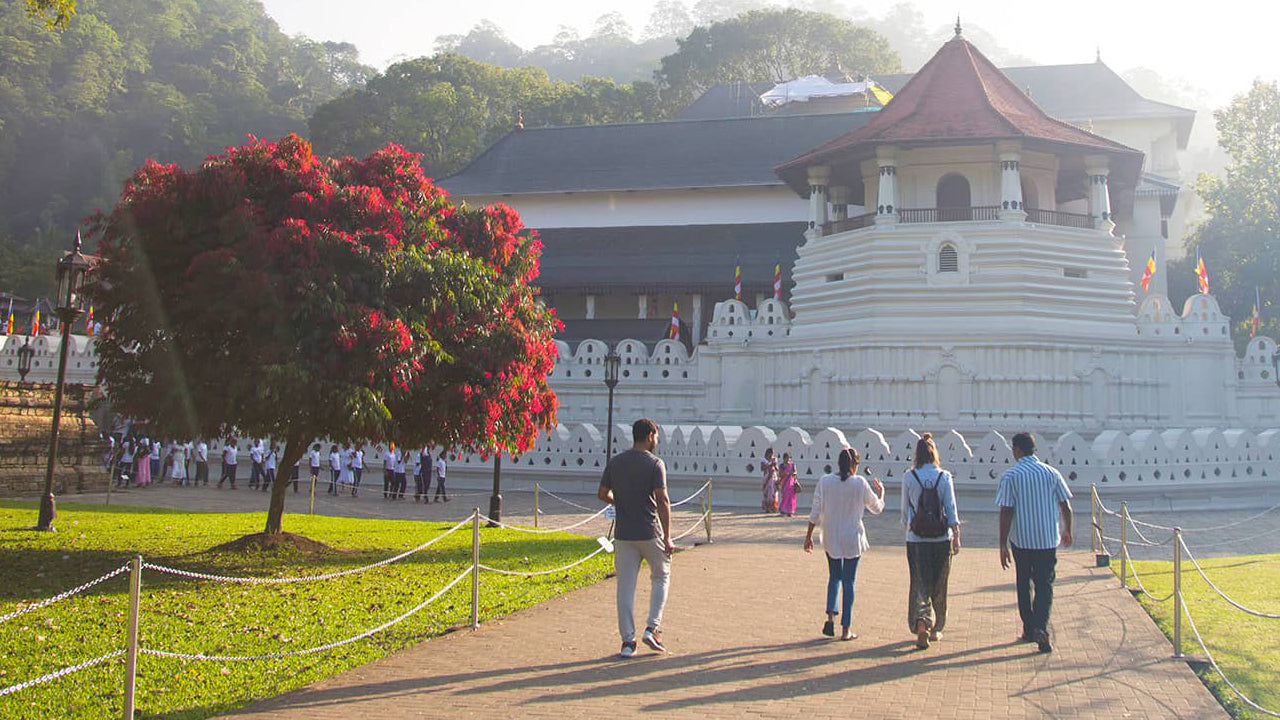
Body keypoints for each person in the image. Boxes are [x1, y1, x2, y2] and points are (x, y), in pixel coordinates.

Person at [597, 418, 672, 658]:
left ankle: (628, 642)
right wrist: (668, 537)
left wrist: (620, 501)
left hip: (624, 534)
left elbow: (602, 494)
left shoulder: (616, 462)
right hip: (649, 531)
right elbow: (663, 500)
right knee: (661, 575)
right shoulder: (655, 463)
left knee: (625, 588)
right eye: (656, 437)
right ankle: (652, 627)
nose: (657, 441)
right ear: (650, 436)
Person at [997, 432, 1073, 654]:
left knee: (1023, 583)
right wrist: (1067, 530)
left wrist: (1002, 544)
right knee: (1044, 584)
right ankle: (1041, 626)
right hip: (1047, 540)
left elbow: (1006, 510)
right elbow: (1065, 505)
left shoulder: (1011, 476)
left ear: (1018, 450)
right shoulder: (1052, 473)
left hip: (1022, 540)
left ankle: (1029, 629)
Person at [804, 447, 885, 641]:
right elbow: (877, 508)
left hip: (830, 537)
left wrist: (808, 536)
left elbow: (815, 511)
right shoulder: (859, 483)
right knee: (849, 582)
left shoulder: (825, 482)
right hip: (852, 539)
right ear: (855, 465)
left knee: (834, 578)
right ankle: (846, 629)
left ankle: (830, 617)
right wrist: (881, 493)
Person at [901, 433, 961, 649]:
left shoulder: (909, 476)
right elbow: (951, 509)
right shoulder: (944, 477)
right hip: (941, 538)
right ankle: (936, 629)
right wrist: (956, 537)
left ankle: (921, 625)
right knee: (939, 583)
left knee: (919, 583)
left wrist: (909, 530)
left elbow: (905, 512)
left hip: (916, 538)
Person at [778, 452, 800, 517]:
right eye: (786, 458)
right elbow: (780, 474)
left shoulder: (792, 465)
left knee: (791, 497)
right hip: (784, 483)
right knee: (785, 497)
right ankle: (783, 510)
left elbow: (795, 472)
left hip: (791, 483)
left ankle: (790, 511)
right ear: (784, 458)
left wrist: (793, 474)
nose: (787, 459)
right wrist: (786, 474)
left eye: (789, 458)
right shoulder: (781, 466)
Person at [760, 448, 779, 513]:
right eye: (771, 453)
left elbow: (777, 468)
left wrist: (774, 465)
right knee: (767, 492)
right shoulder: (763, 460)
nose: (772, 454)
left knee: (773, 492)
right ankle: (767, 508)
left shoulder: (774, 459)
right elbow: (762, 468)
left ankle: (773, 507)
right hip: (767, 477)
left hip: (773, 477)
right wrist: (769, 465)